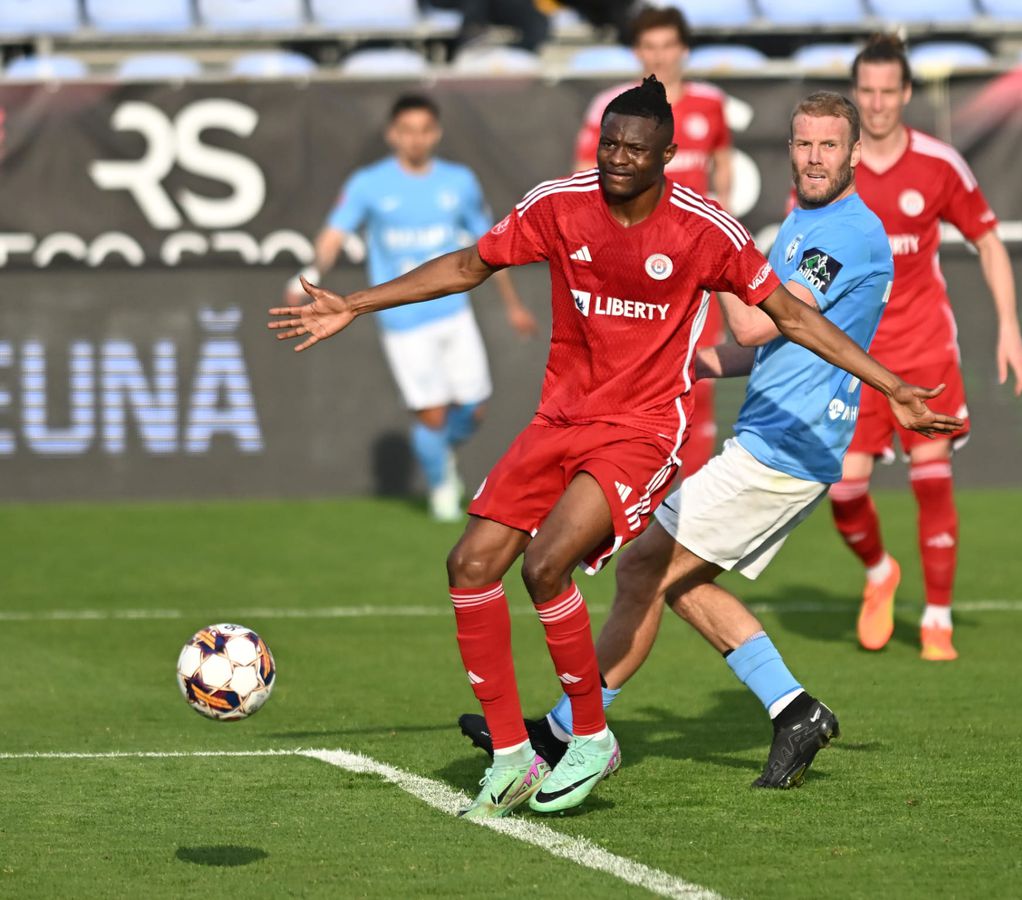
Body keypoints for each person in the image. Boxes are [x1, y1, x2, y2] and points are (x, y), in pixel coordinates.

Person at [271, 77, 957, 818]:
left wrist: (891, 385)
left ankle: (584, 732)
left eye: (636, 147)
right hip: (563, 419)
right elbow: (472, 263)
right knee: (479, 564)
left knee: (560, 566)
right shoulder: (561, 204)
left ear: (669, 154)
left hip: (654, 433)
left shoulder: (719, 228)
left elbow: (784, 318)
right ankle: (519, 751)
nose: (618, 158)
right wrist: (356, 303)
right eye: (610, 144)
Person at [459, 91, 937, 788]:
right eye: (803, 144)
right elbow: (760, 343)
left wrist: (702, 241)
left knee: (646, 570)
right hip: (769, 434)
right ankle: (788, 710)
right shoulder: (808, 222)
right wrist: (695, 360)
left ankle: (574, 730)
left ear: (856, 154)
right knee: (658, 575)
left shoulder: (847, 234)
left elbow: (758, 322)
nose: (813, 158)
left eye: (829, 146)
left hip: (787, 447)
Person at [836, 34, 1022, 661]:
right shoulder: (834, 163)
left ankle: (938, 619)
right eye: (865, 91)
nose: (876, 103)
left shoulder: (939, 163)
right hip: (855, 355)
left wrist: (1009, 327)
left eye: (888, 91)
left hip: (924, 349)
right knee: (843, 494)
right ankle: (878, 574)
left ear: (907, 93)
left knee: (931, 478)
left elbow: (990, 241)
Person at [285, 94, 537, 522]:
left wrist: (513, 306)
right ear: (392, 135)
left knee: (474, 406)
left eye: (424, 130)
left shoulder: (459, 182)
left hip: (454, 312)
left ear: (435, 133)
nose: (416, 139)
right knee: (432, 413)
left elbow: (492, 249)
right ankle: (441, 487)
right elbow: (332, 237)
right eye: (407, 131)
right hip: (403, 320)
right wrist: (306, 275)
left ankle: (441, 457)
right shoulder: (369, 184)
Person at [574, 5, 734, 479]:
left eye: (667, 46)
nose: (659, 56)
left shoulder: (709, 103)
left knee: (697, 376)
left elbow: (723, 159)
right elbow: (584, 178)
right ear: (635, 51)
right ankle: (621, 487)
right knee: (622, 381)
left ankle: (688, 500)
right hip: (630, 268)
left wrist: (720, 209)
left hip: (693, 268)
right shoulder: (612, 107)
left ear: (683, 50)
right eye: (649, 47)